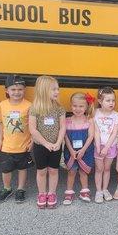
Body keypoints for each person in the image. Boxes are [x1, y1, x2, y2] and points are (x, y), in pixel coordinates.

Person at [0, 75, 33, 204]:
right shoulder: (3, 104)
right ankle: (7, 188)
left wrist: (32, 141)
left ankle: (20, 189)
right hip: (7, 145)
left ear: (24, 90)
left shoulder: (29, 105)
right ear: (6, 90)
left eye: (20, 89)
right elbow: (0, 123)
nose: (16, 92)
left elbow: (33, 126)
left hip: (23, 144)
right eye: (13, 89)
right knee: (6, 169)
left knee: (22, 168)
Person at [29, 76, 66, 209]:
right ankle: (42, 193)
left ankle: (52, 193)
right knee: (41, 171)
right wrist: (45, 143)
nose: (57, 92)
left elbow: (62, 127)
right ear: (44, 91)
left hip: (55, 146)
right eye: (53, 89)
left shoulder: (59, 108)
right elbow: (33, 129)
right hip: (40, 146)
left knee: (54, 170)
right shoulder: (35, 108)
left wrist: (58, 142)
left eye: (57, 89)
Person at [62, 92, 95, 205]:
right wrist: (71, 150)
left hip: (85, 150)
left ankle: (84, 191)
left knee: (83, 171)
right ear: (71, 106)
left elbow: (91, 136)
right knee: (71, 171)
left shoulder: (89, 120)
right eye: (75, 106)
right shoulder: (67, 121)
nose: (78, 109)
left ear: (86, 107)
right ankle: (69, 192)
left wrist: (83, 150)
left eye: (81, 106)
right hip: (71, 151)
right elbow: (65, 136)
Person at [93, 87, 118, 203]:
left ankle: (105, 189)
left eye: (113, 100)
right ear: (100, 101)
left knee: (107, 168)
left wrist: (107, 147)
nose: (111, 103)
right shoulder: (95, 113)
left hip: (111, 146)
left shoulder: (115, 115)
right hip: (99, 146)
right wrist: (99, 147)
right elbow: (96, 131)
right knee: (99, 169)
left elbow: (115, 133)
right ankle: (98, 191)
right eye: (108, 100)